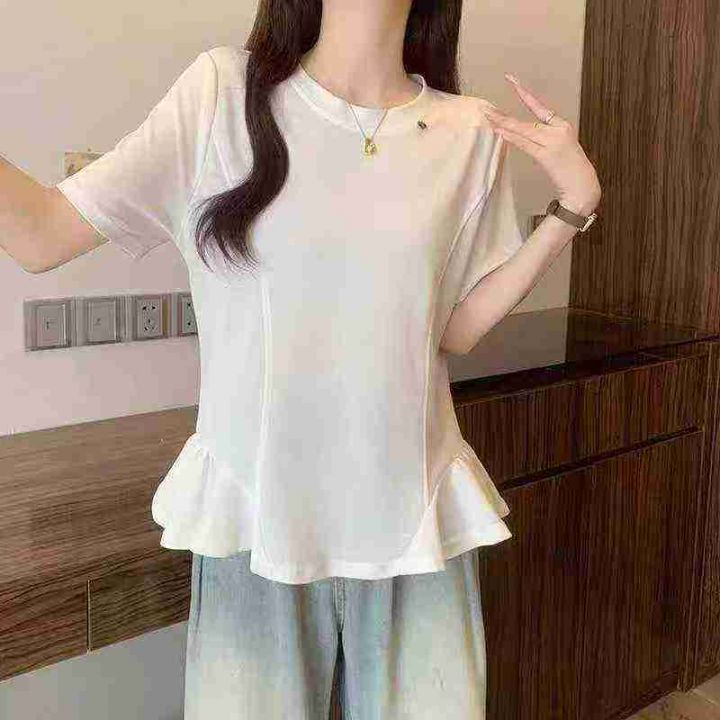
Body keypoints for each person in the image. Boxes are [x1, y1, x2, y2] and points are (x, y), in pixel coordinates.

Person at [0, 1, 600, 717]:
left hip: (414, 522)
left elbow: (454, 330)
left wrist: (573, 206)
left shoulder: (470, 130)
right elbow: (40, 235)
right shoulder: (221, 95)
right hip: (257, 522)